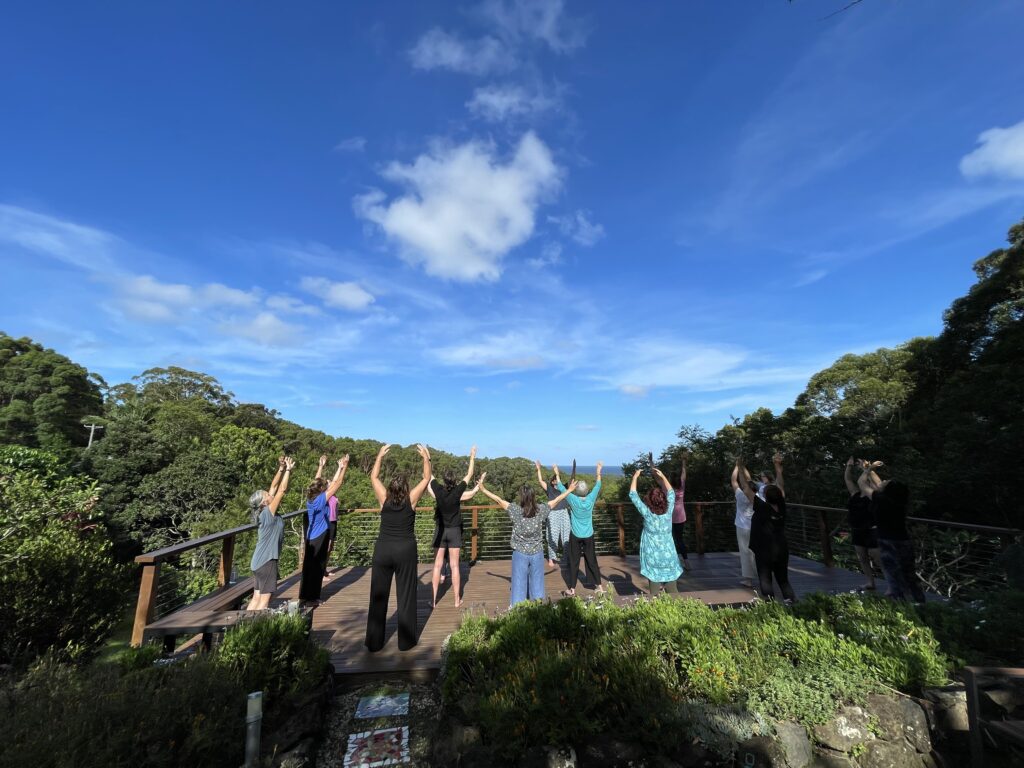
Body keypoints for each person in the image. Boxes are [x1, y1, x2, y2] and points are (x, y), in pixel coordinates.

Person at [366, 443, 432, 652]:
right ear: (405, 489)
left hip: (383, 551)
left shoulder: (383, 499)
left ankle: (374, 642)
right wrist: (426, 458)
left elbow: (374, 477)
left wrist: (379, 456)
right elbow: (426, 478)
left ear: (391, 488)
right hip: (405, 551)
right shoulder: (411, 500)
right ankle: (406, 642)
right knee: (406, 596)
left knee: (378, 596)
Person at [480, 479, 576, 606]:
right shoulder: (540, 510)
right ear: (533, 497)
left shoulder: (515, 510)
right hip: (537, 553)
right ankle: (539, 609)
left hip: (520, 554)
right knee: (538, 585)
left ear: (522, 497)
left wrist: (483, 489)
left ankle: (517, 609)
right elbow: (557, 500)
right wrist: (569, 490)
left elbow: (498, 500)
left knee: (518, 584)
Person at [858, 463, 925, 603]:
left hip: (888, 542)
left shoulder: (880, 499)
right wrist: (869, 470)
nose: (883, 481)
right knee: (909, 575)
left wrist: (868, 470)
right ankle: (919, 602)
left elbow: (861, 484)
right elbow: (879, 484)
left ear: (887, 489)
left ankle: (901, 604)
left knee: (894, 575)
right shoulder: (898, 501)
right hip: (904, 541)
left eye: (886, 481)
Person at [427, 446, 484, 608]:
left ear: (444, 480)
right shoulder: (458, 491)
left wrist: (427, 458)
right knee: (454, 566)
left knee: (437, 566)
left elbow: (429, 475)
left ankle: (433, 601)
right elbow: (469, 474)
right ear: (454, 481)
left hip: (440, 531)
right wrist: (472, 456)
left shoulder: (438, 490)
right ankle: (457, 600)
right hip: (454, 532)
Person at [737, 453, 796, 602]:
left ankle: (770, 606)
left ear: (766, 497)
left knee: (765, 580)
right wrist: (777, 467)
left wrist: (740, 467)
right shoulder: (782, 507)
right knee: (783, 580)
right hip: (781, 548)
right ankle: (792, 603)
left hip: (764, 550)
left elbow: (745, 487)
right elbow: (780, 485)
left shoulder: (762, 507)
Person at [299, 454, 349, 606]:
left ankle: (305, 597)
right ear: (321, 489)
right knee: (317, 567)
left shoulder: (311, 498)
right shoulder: (321, 499)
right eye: (325, 485)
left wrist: (321, 466)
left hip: (311, 537)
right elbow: (338, 483)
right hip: (319, 536)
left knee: (309, 567)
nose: (327, 485)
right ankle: (312, 598)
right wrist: (345, 466)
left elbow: (315, 482)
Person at [247, 456, 295, 610]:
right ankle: (259, 625)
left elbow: (274, 486)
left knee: (256, 598)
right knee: (264, 601)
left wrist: (280, 469)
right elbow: (281, 490)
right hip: (267, 561)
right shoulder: (269, 512)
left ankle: (243, 623)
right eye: (267, 495)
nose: (270, 494)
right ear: (264, 502)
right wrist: (288, 470)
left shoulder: (263, 512)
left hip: (258, 562)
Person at [629, 467, 683, 595]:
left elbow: (633, 495)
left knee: (653, 594)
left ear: (649, 500)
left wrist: (635, 477)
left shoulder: (647, 513)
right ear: (663, 499)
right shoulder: (668, 511)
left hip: (652, 557)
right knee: (673, 592)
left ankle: (655, 604)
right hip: (669, 556)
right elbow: (671, 493)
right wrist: (663, 476)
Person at [556, 461, 607, 597]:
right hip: (588, 534)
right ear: (587, 491)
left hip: (575, 535)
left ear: (576, 491)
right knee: (592, 560)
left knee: (574, 561)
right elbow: (598, 485)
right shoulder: (591, 499)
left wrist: (556, 472)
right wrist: (598, 471)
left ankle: (572, 589)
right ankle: (599, 587)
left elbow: (560, 487)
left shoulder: (573, 499)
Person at [845, 457, 882, 591]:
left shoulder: (874, 495)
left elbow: (878, 483)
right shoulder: (855, 494)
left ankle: (894, 583)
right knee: (862, 558)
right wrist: (848, 466)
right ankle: (870, 582)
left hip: (872, 530)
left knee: (878, 559)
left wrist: (869, 469)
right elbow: (848, 480)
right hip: (857, 529)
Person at [536, 460, 571, 569]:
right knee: (552, 537)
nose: (555, 480)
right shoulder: (549, 489)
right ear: (552, 481)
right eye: (554, 479)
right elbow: (540, 481)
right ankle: (552, 558)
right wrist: (538, 469)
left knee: (566, 537)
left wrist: (557, 473)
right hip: (553, 514)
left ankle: (566, 558)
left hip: (564, 513)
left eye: (557, 479)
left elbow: (572, 482)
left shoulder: (564, 488)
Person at [730, 461, 757, 588]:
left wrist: (737, 466)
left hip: (742, 527)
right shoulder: (757, 496)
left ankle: (748, 580)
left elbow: (733, 480)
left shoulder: (740, 495)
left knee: (745, 552)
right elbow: (749, 480)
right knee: (756, 552)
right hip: (755, 527)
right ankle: (762, 574)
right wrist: (743, 467)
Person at [670, 453, 689, 565]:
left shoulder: (669, 490)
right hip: (681, 516)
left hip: (670, 517)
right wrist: (683, 461)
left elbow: (658, 479)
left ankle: (673, 562)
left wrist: (651, 463)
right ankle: (687, 562)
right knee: (680, 539)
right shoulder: (682, 486)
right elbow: (684, 473)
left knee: (670, 539)